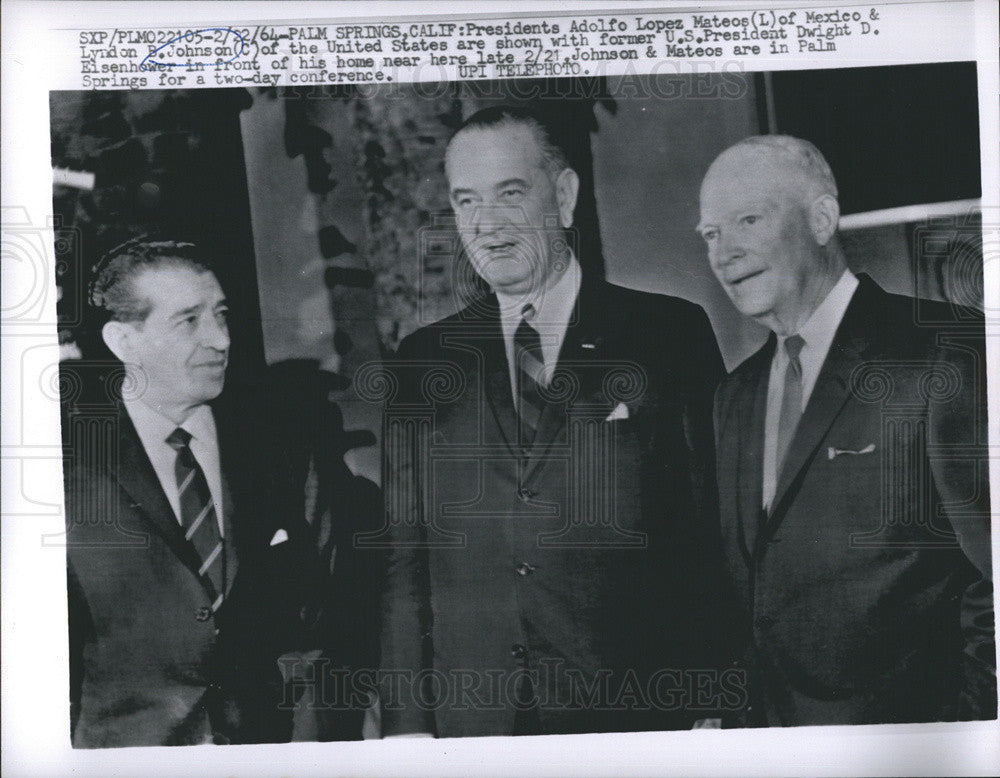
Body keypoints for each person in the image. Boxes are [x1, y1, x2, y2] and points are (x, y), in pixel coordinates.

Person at [378, 106, 730, 738]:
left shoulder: (666, 335)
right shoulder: (422, 363)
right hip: (478, 721)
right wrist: (408, 725)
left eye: (510, 195)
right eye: (466, 202)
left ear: (564, 196)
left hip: (636, 711)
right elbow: (406, 562)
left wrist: (710, 695)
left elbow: (707, 531)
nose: (486, 226)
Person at [699, 135, 995, 726]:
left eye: (748, 220)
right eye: (709, 234)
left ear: (822, 218)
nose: (724, 253)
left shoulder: (946, 351)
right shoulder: (733, 396)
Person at [64, 239, 320, 747]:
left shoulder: (279, 446)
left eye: (222, 316)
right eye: (189, 321)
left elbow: (321, 607)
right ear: (123, 341)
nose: (221, 340)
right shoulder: (68, 465)